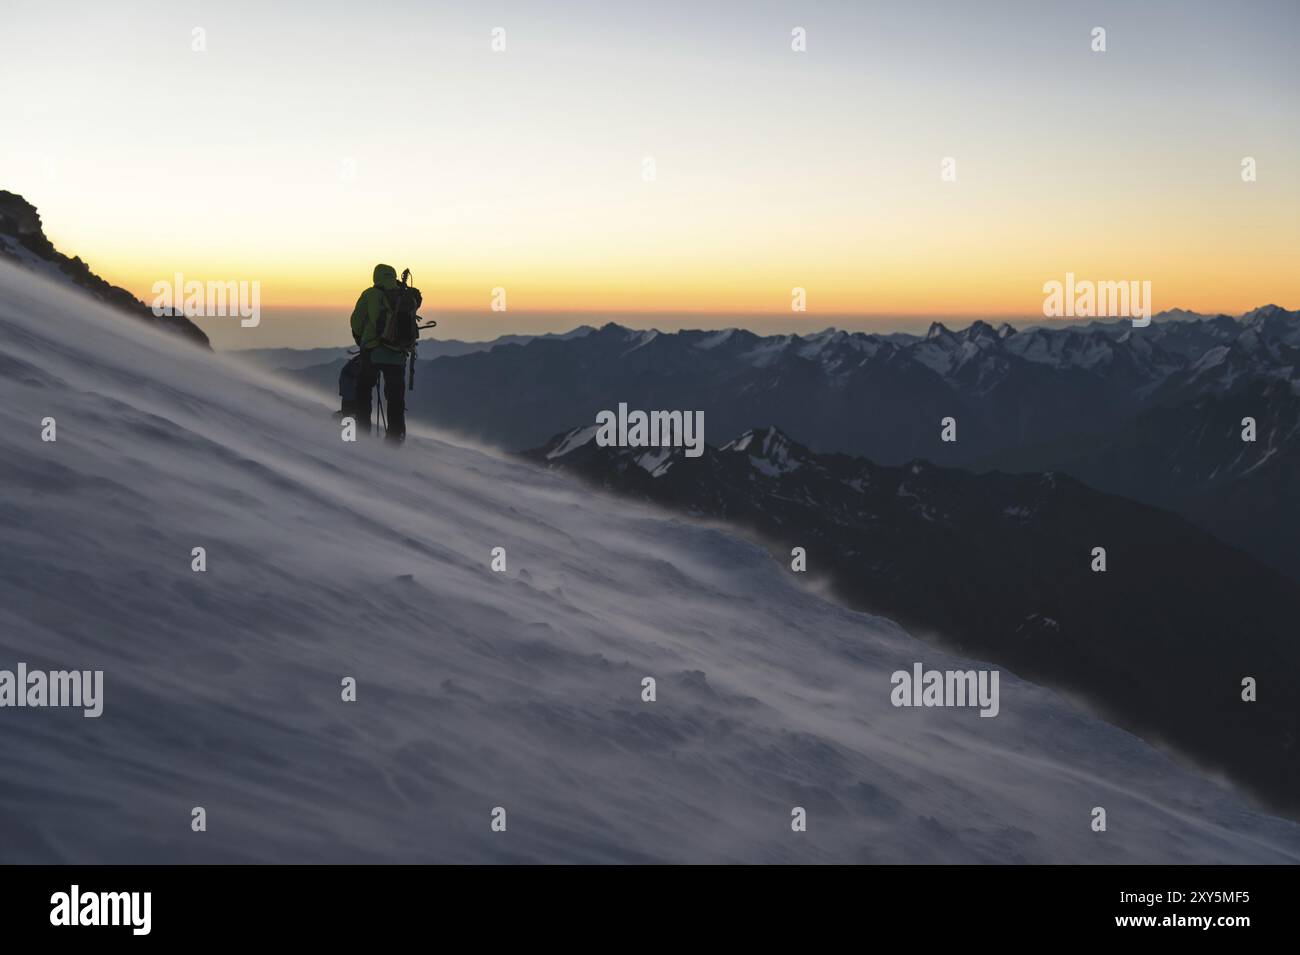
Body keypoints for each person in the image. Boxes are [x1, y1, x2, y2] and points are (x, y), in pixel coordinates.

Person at [349, 263, 414, 442]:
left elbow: (356, 322)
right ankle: (395, 437)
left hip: (373, 351)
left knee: (363, 389)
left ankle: (362, 433)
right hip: (398, 355)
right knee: (395, 397)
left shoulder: (370, 295)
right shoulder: (404, 296)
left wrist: (362, 339)